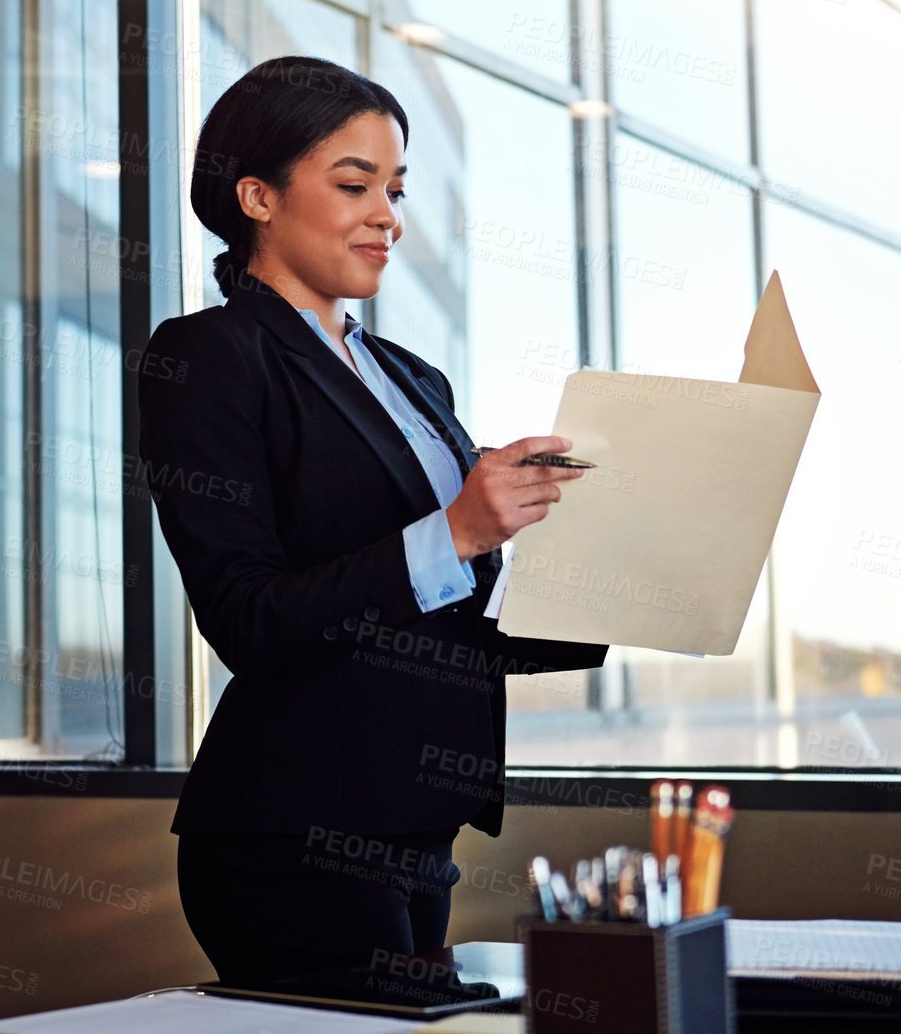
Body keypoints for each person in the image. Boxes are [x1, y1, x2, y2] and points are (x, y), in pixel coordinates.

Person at [137, 56, 605, 985]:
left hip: (416, 823)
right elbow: (248, 619)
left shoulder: (413, 380)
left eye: (394, 188)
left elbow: (443, 607)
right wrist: (462, 530)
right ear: (258, 196)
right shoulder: (207, 357)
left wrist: (625, 589)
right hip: (291, 830)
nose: (388, 214)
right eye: (355, 184)